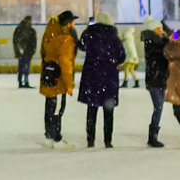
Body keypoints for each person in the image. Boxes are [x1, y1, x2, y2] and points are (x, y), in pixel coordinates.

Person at [77, 15, 125, 148]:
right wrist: (112, 62)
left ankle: (90, 139)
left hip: (92, 76)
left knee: (92, 109)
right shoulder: (114, 37)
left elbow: (81, 45)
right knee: (108, 110)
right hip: (109, 77)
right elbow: (122, 56)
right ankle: (108, 140)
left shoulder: (90, 34)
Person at [37, 10, 77, 148]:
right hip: (59, 80)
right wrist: (69, 84)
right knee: (58, 109)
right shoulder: (65, 39)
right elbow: (66, 64)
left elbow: (43, 51)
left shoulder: (49, 33)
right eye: (72, 22)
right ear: (68, 23)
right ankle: (56, 138)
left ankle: (48, 136)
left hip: (49, 75)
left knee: (49, 106)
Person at [140, 21, 171, 147]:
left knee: (159, 107)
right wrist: (169, 39)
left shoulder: (156, 41)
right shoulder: (152, 42)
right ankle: (152, 136)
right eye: (159, 28)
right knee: (158, 107)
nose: (161, 30)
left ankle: (153, 135)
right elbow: (163, 53)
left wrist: (173, 35)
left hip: (159, 79)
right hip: (155, 79)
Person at [11, 15, 38, 89]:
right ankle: (25, 82)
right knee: (26, 67)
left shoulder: (19, 29)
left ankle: (20, 82)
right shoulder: (31, 31)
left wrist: (18, 51)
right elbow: (33, 43)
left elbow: (15, 41)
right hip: (27, 53)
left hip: (21, 53)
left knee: (21, 67)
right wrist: (32, 51)